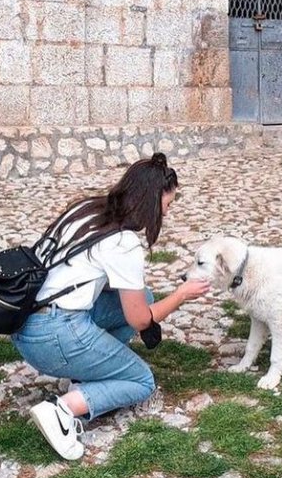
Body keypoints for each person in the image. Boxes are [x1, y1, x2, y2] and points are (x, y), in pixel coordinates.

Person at [11, 151, 210, 460]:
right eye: (167, 205)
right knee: (141, 381)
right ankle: (63, 410)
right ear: (151, 200)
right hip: (53, 335)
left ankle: (87, 371)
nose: (166, 214)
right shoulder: (123, 242)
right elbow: (141, 320)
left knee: (142, 295)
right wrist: (182, 294)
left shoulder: (86, 210)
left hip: (26, 323)